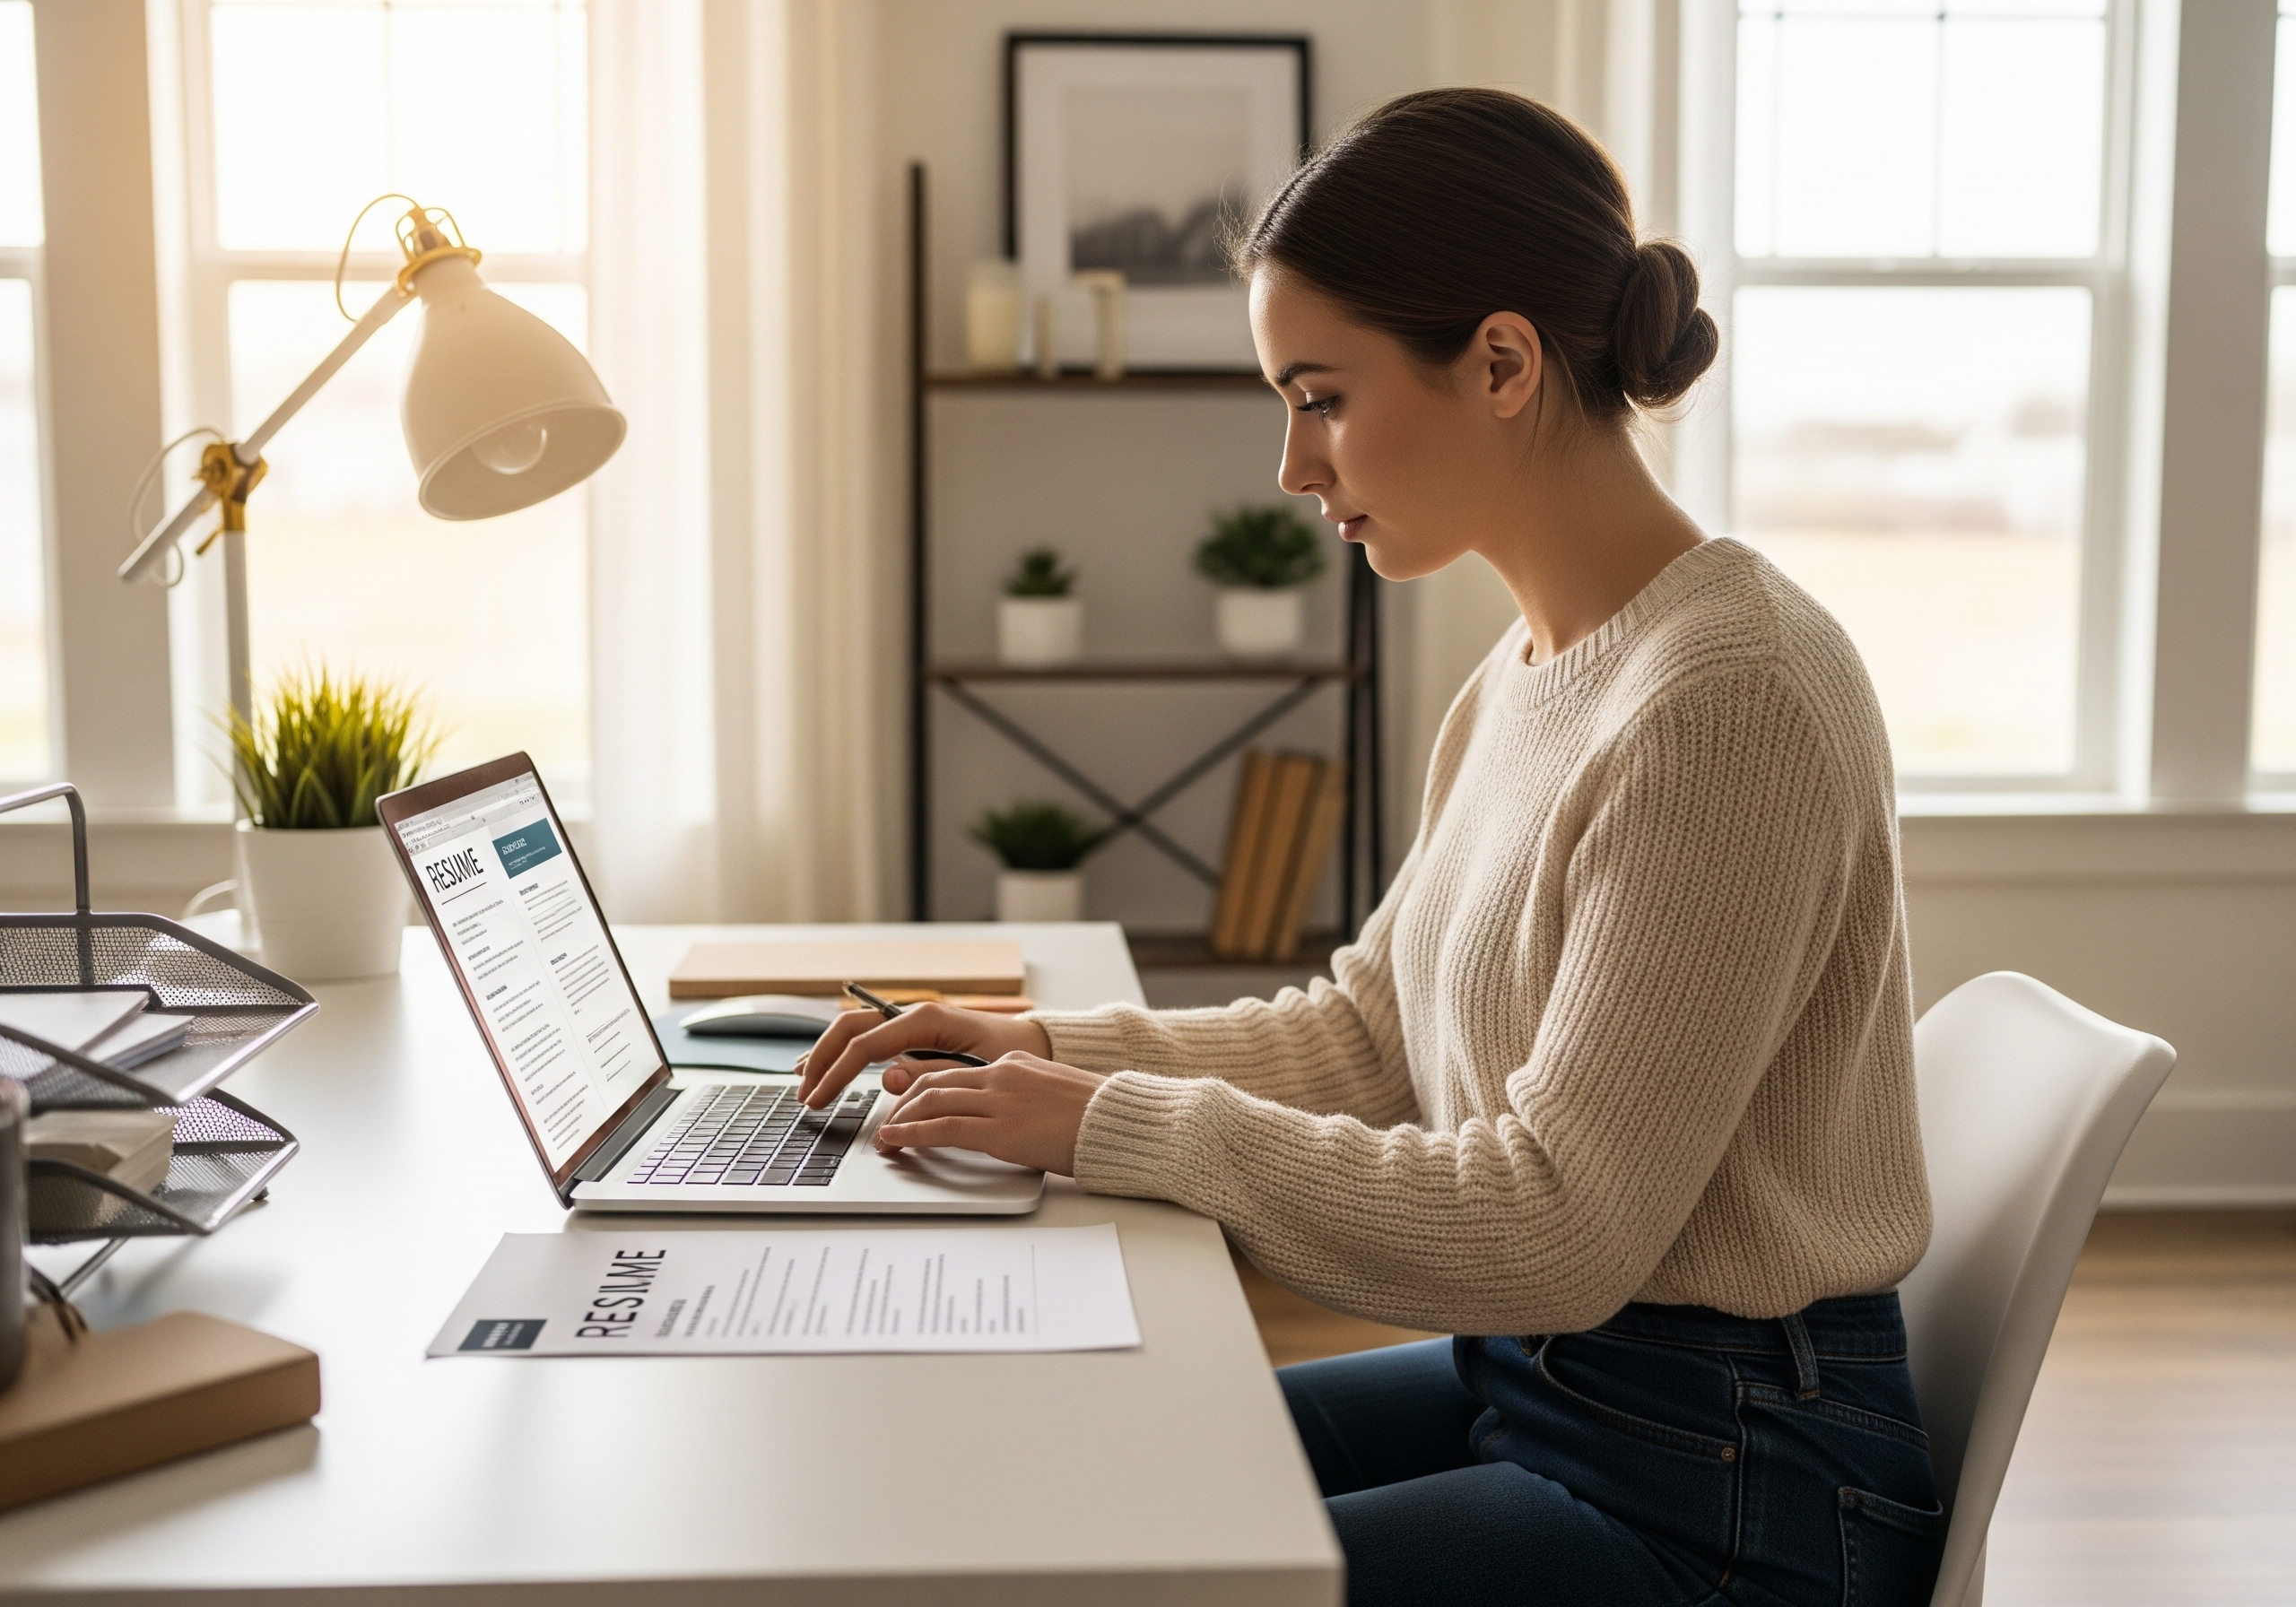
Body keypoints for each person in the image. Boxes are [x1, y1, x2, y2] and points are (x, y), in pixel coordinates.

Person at [797, 87, 1944, 1607]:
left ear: (1503, 364)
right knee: (1067, 1463)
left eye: (1322, 396)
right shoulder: (1529, 673)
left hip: (1731, 1487)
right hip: (1553, 1382)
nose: (1292, 464)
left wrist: (1109, 1125)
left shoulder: (1729, 702)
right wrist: (1049, 1051)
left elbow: (1561, 1225)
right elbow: (1370, 1037)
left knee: (1112, 1574)